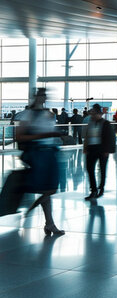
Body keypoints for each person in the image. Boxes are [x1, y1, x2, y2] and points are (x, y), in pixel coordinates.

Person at [15, 88, 64, 236]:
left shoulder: (48, 114)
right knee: (48, 190)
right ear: (35, 97)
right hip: (39, 154)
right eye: (41, 95)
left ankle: (49, 223)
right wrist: (48, 134)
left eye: (45, 95)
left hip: (50, 153)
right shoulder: (28, 115)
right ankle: (43, 217)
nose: (43, 97)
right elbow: (19, 137)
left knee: (50, 189)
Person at [83, 104, 116, 200]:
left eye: (94, 113)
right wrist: (85, 147)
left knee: (102, 169)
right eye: (92, 113)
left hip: (102, 149)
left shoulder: (106, 123)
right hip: (91, 149)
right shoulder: (90, 122)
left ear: (99, 114)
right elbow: (87, 136)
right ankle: (93, 190)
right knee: (89, 168)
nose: (92, 115)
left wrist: (107, 150)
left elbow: (111, 137)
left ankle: (101, 187)